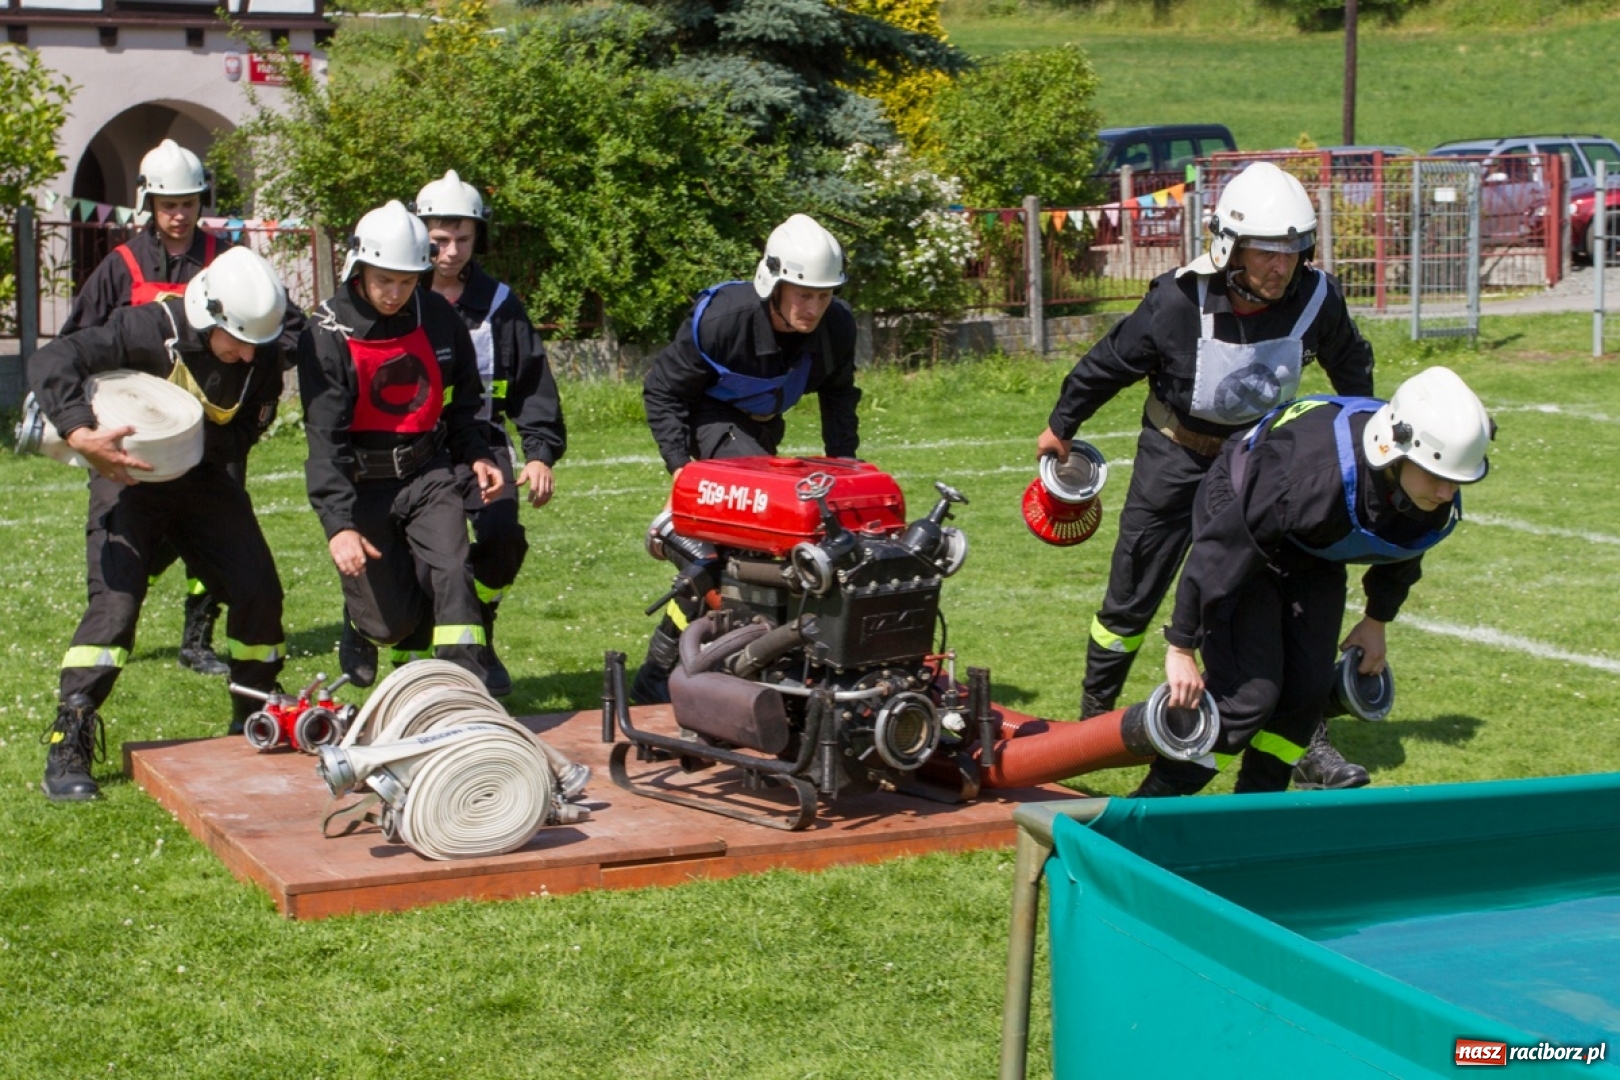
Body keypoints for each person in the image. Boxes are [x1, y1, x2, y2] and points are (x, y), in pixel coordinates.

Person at [1036, 160, 1377, 789]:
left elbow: (1353, 372)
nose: (1281, 267)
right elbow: (1110, 361)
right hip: (1176, 455)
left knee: (1283, 610)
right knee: (1131, 596)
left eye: (1293, 252)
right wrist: (1062, 425)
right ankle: (1091, 728)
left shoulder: (1318, 297)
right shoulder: (1176, 300)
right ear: (1230, 247)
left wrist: (1360, 445)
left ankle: (1307, 742)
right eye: (1266, 253)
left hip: (1262, 475)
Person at [1133, 366, 1494, 797]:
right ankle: (1154, 804)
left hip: (1310, 544)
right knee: (1250, 696)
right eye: (1439, 479)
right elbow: (1220, 553)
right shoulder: (1309, 475)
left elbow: (1406, 547)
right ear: (1395, 452)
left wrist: (1376, 621)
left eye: (1456, 482)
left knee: (1307, 693)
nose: (1445, 495)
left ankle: (1256, 810)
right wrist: (1181, 646)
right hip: (1240, 512)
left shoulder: (1428, 486)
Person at [31, 247, 293, 801]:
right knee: (117, 605)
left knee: (258, 592)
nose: (246, 355)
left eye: (256, 345)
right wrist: (81, 433)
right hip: (126, 477)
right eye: (237, 340)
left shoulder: (261, 354)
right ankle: (69, 737)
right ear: (209, 312)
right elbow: (54, 361)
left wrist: (192, 448)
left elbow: (247, 428)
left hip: (204, 482)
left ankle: (255, 712)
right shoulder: (148, 327)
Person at [60, 138, 302, 678]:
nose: (178, 215)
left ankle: (199, 634)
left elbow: (285, 328)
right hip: (138, 439)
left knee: (231, 556)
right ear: (148, 203)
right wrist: (87, 423)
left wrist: (252, 366)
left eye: (189, 203)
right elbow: (78, 342)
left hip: (216, 434)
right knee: (127, 572)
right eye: (168, 204)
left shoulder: (230, 263)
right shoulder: (121, 267)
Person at [632, 213, 861, 703]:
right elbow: (662, 391)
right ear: (772, 284)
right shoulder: (722, 322)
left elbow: (839, 396)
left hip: (761, 429)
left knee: (762, 547)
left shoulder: (836, 328)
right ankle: (663, 667)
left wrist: (846, 472)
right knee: (754, 543)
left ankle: (711, 661)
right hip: (709, 418)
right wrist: (684, 475)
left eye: (824, 295)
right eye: (803, 294)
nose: (814, 307)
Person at [298, 200, 502, 689]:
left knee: (453, 572)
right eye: (384, 280)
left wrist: (476, 452)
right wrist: (338, 525)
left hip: (427, 472)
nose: (395, 293)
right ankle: (361, 621)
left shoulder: (437, 316)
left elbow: (463, 398)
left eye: (407, 281)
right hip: (362, 482)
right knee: (391, 624)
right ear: (359, 269)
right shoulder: (325, 334)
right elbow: (325, 441)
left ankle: (464, 693)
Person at [386, 169, 569, 698]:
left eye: (463, 239)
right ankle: (405, 650)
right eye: (440, 240)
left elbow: (533, 384)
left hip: (480, 442)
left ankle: (480, 623)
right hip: (411, 449)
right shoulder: (399, 294)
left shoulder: (500, 304)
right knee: (427, 557)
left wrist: (538, 454)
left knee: (504, 536)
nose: (450, 251)